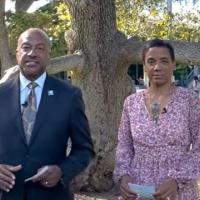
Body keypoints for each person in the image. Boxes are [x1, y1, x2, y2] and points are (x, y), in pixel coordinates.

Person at [0, 28, 95, 200]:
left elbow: (84, 150)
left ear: (48, 54)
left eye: (40, 48)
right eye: (26, 47)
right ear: (17, 53)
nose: (32, 53)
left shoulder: (69, 95)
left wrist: (62, 170)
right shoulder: (1, 94)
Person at [113, 39, 200, 200]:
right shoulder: (131, 103)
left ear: (173, 64)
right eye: (151, 61)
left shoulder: (189, 100)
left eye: (164, 61)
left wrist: (177, 179)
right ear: (145, 66)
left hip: (177, 190)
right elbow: (124, 144)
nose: (157, 67)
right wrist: (123, 176)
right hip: (138, 189)